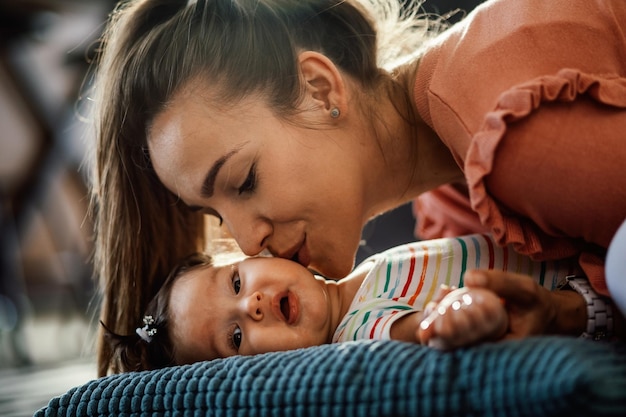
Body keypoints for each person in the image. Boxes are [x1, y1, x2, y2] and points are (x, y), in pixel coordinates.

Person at [89, 0, 626, 375]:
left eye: (243, 181)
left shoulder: (508, 138)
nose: (250, 243)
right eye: (217, 215)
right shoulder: (452, 206)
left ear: (318, 89)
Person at [105, 234, 588, 371]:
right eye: (235, 337)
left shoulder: (359, 277)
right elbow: (421, 327)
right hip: (584, 298)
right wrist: (457, 315)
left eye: (235, 283)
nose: (250, 305)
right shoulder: (357, 332)